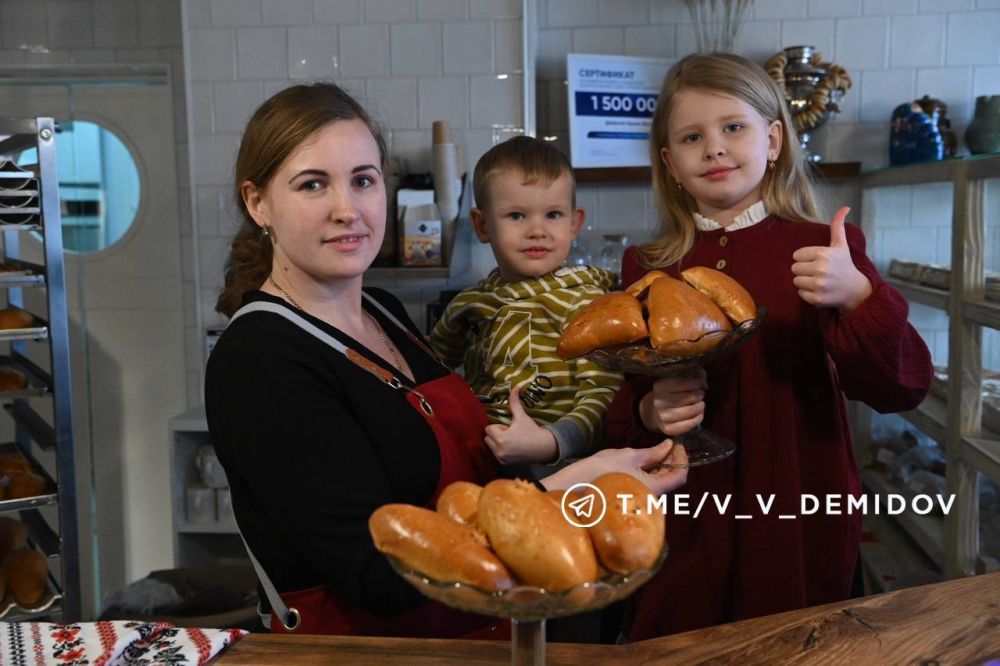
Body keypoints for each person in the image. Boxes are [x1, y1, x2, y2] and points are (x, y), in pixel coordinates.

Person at [204, 82, 688, 638]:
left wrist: (598, 454)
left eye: (363, 180)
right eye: (313, 185)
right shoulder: (259, 360)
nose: (348, 209)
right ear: (257, 201)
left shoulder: (381, 312)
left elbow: (471, 481)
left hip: (482, 636)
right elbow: (376, 575)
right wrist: (570, 488)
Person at [602, 53, 933, 640]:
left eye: (734, 127)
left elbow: (901, 386)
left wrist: (857, 297)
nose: (714, 148)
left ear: (774, 139)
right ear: (670, 164)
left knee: (798, 641)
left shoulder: (827, 249)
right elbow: (626, 402)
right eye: (691, 136)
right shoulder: (647, 267)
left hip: (798, 504)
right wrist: (648, 411)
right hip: (685, 515)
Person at [428, 136, 622, 479]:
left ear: (574, 223)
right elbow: (428, 371)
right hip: (480, 465)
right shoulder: (469, 304)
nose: (537, 231)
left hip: (562, 470)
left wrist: (550, 442)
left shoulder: (586, 304)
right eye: (517, 215)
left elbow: (605, 397)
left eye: (553, 214)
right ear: (483, 225)